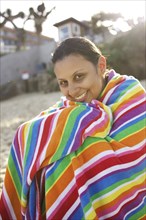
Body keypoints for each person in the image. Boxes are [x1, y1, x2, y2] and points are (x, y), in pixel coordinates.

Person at [0, 37, 145, 219]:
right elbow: (40, 125)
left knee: (65, 159)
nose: (73, 90)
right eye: (63, 83)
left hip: (131, 186)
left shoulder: (130, 93)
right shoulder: (69, 104)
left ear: (101, 65)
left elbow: (135, 155)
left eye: (79, 77)